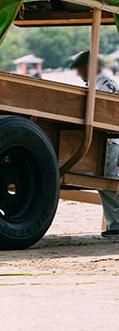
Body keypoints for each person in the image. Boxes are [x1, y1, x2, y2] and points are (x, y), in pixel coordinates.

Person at [70, 51, 119, 237]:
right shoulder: (102, 83)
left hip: (110, 140)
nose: (79, 74)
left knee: (107, 182)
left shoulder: (103, 86)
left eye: (80, 70)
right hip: (110, 139)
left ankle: (116, 226)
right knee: (107, 182)